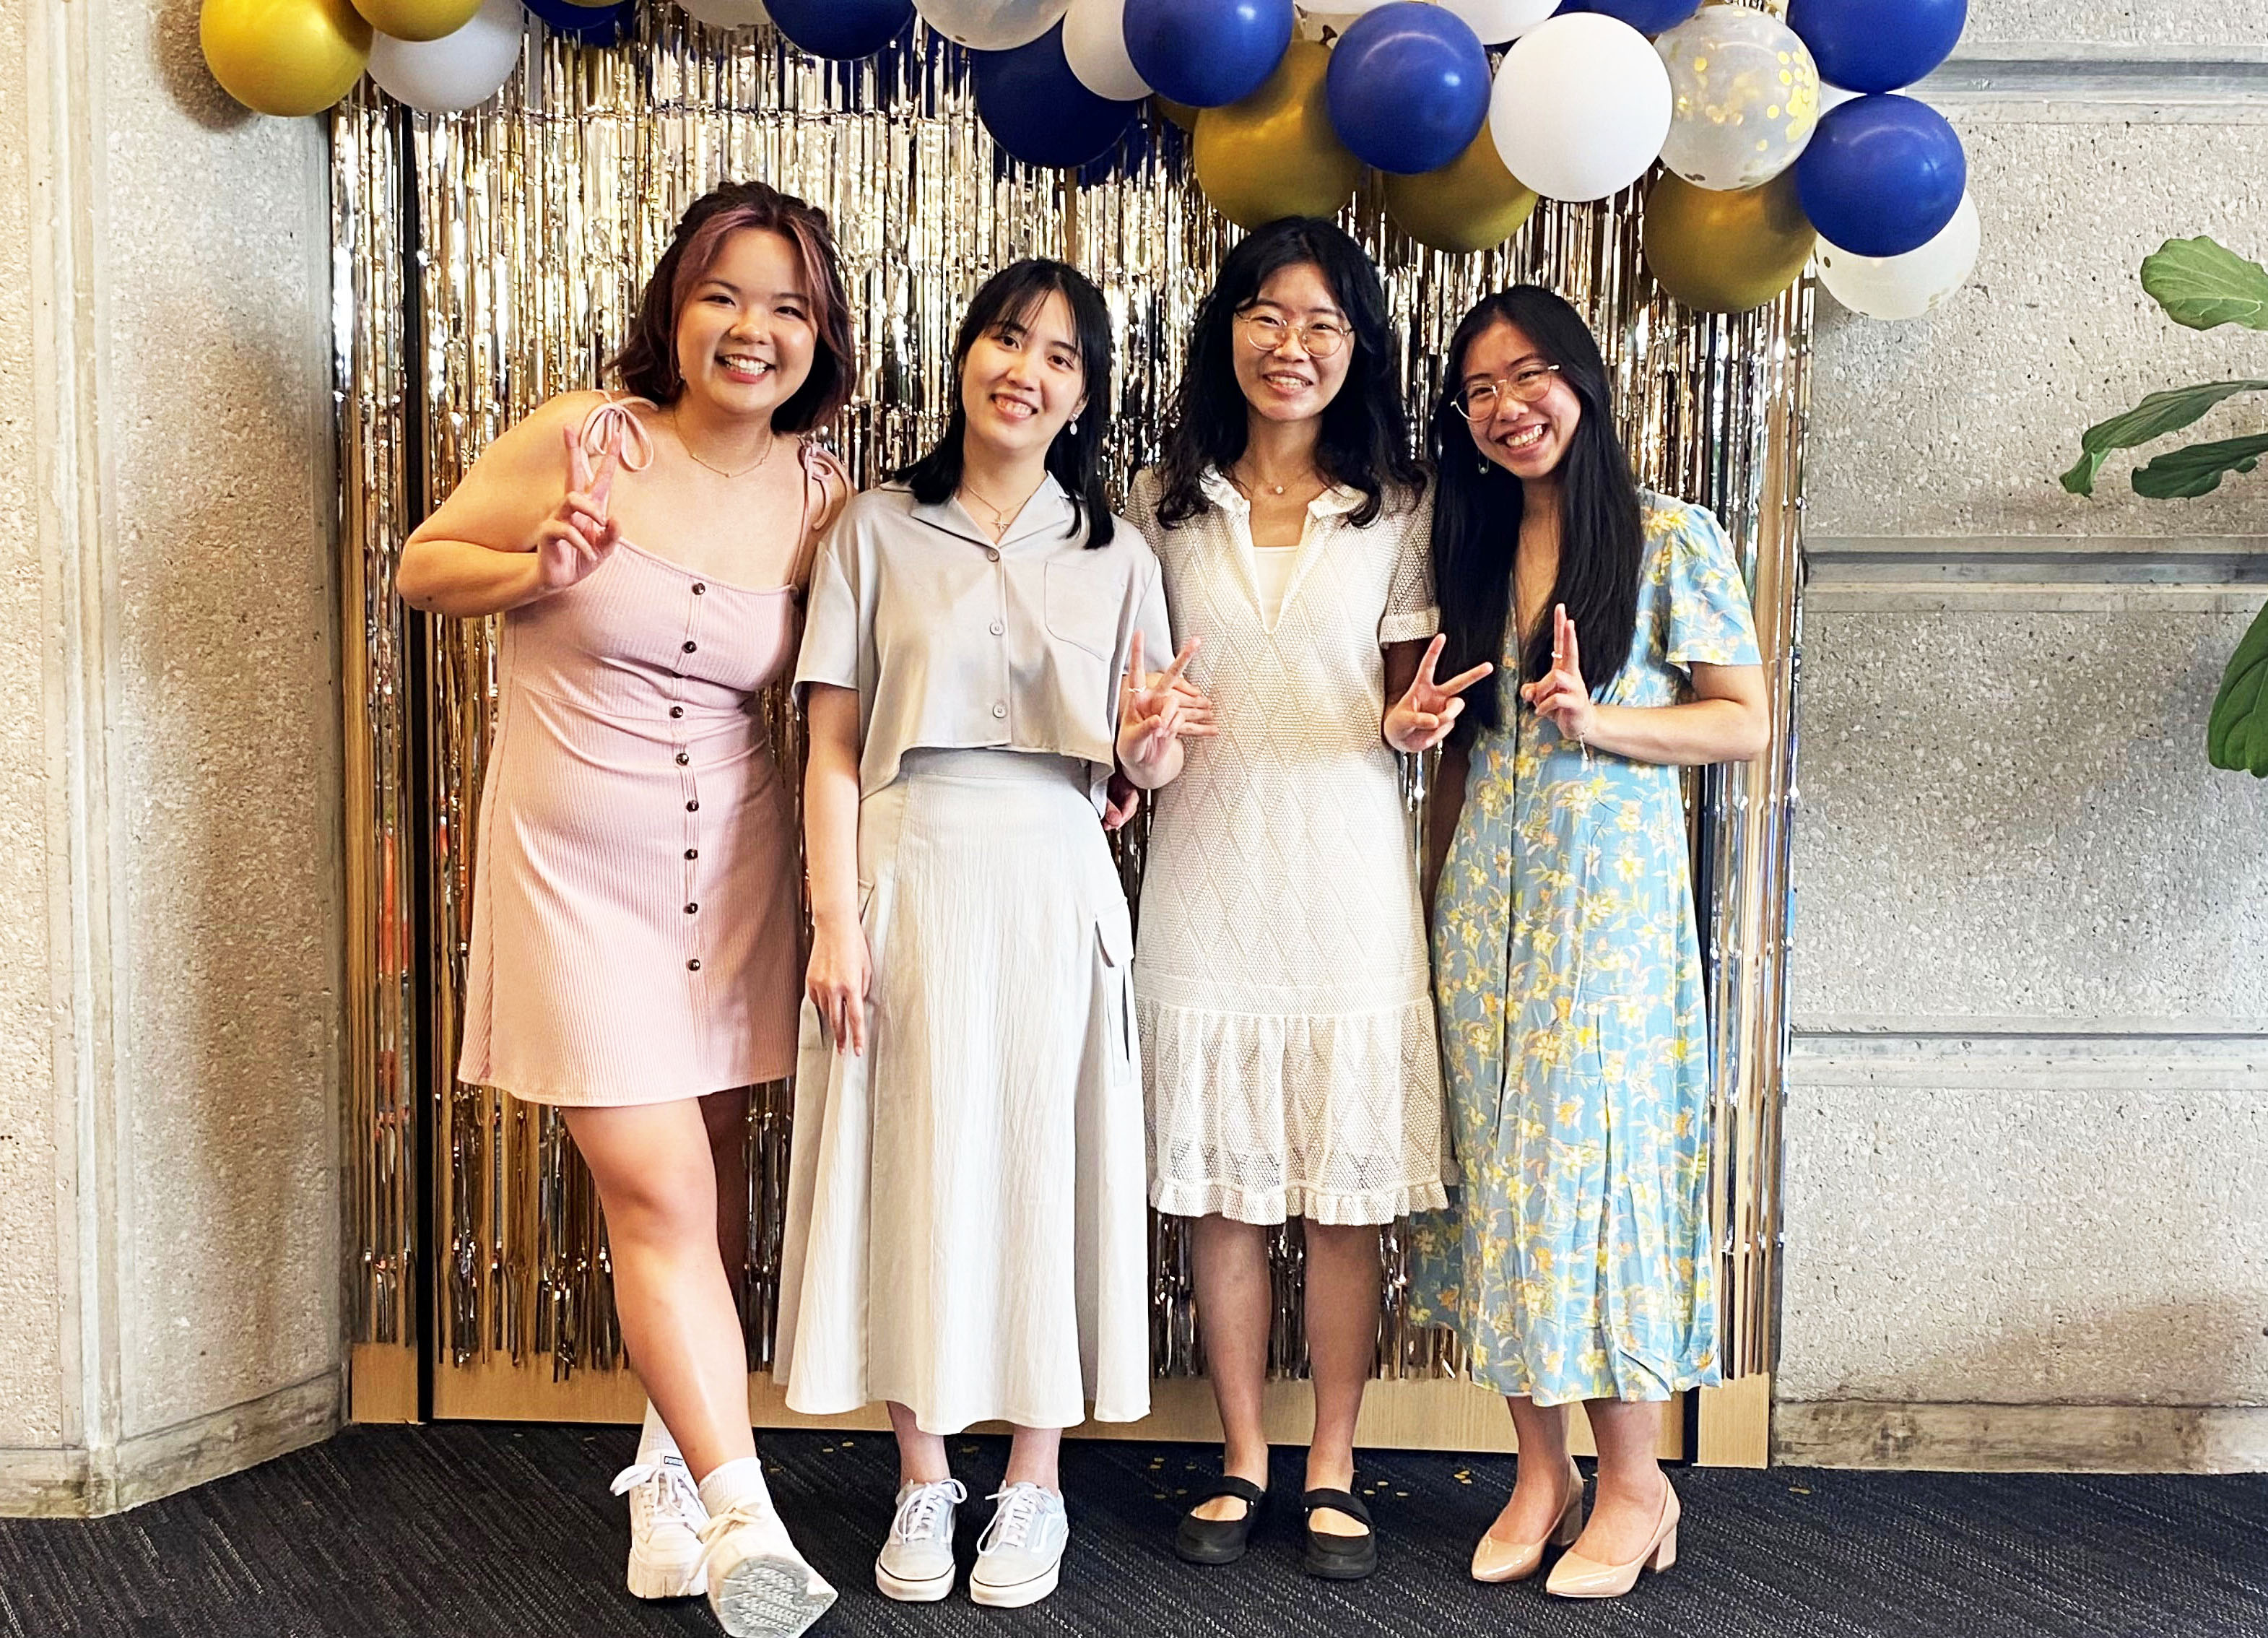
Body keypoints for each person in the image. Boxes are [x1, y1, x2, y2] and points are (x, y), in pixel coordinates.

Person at [396, 181, 853, 1638]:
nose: (751, 329)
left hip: (731, 870)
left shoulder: (824, 494)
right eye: (726, 293)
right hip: (570, 872)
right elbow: (420, 565)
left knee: (702, 1187)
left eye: (787, 306)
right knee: (655, 1189)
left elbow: (860, 698)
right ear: (675, 301)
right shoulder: (584, 434)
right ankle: (743, 1519)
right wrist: (537, 567)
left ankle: (665, 1480)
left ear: (819, 337)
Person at [773, 259, 1210, 1611]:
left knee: (1042, 1161)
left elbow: (1149, 763)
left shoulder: (1118, 554)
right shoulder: (871, 529)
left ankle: (1032, 1482)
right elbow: (831, 747)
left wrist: (1148, 744)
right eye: (1007, 340)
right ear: (964, 356)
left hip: (1055, 871)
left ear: (1085, 393)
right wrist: (834, 923)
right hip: (908, 867)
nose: (1027, 370)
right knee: (908, 1160)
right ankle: (920, 1476)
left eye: (1062, 357)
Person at [1122, 216, 1484, 1581]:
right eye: (1271, 316)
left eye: (1326, 324)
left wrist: (1413, 731)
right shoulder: (1163, 502)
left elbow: (1412, 687)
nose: (1294, 346)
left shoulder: (1394, 506)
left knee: (1343, 1204)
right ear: (1230, 330)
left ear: (1358, 350)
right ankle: (1239, 1456)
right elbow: (1135, 696)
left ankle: (1333, 1461)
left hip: (1344, 879)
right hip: (1206, 874)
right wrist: (1137, 726)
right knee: (1223, 1199)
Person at [1414, 285, 1770, 1600]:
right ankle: (1539, 1470)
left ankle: (1636, 1481)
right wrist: (1420, 762)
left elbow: (1741, 723)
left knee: (1592, 1178)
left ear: (1583, 380)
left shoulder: (1674, 539)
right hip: (1481, 914)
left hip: (1606, 919)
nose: (1509, 409)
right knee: (1499, 1180)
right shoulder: (1467, 547)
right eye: (1480, 392)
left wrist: (1603, 722)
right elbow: (1457, 756)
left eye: (1530, 376)